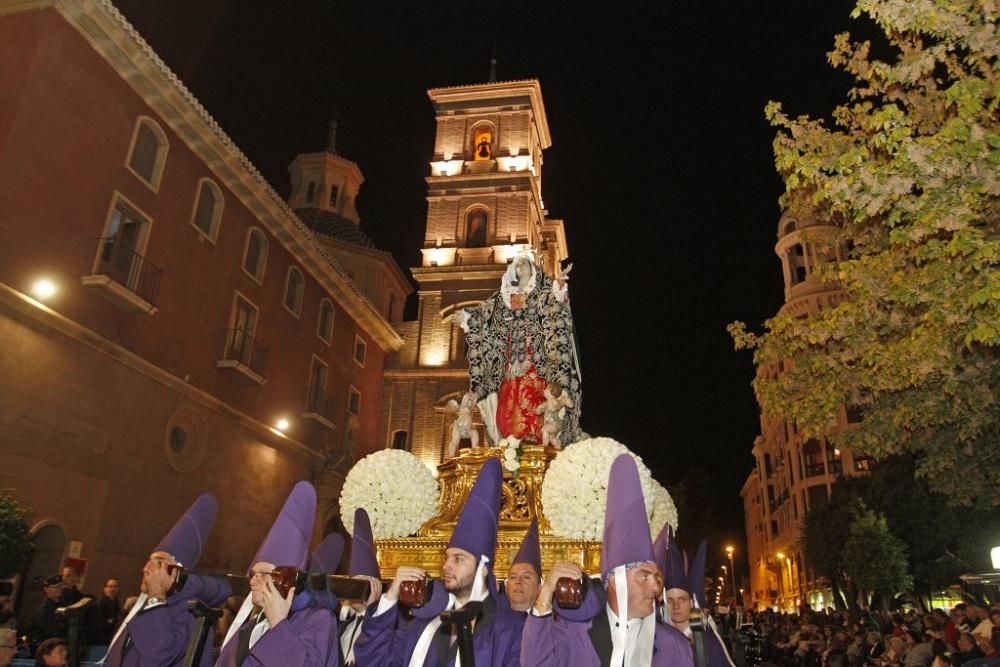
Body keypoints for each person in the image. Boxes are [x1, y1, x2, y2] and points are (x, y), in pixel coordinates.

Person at [521, 455, 695, 667]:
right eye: (644, 576)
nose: (656, 586)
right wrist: (546, 591)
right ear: (614, 580)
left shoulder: (675, 646)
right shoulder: (575, 633)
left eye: (657, 577)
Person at [353, 458, 525, 667]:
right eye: (447, 558)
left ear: (483, 570)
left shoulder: (510, 628)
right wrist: (390, 597)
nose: (447, 566)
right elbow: (372, 661)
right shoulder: (422, 624)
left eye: (458, 559)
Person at [453, 251, 582, 446]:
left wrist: (560, 285)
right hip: (512, 353)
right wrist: (467, 318)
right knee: (511, 393)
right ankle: (512, 439)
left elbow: (555, 303)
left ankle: (536, 435)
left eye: (525, 265)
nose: (521, 268)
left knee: (532, 390)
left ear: (532, 269)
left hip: (534, 352)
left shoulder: (540, 291)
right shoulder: (506, 294)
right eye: (518, 265)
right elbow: (487, 313)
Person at [215, 481, 337, 667]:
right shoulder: (249, 627)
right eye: (252, 573)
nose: (254, 579)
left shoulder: (318, 620)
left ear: (286, 580)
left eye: (263, 573)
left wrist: (278, 622)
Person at [105, 493, 230, 667]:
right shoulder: (145, 605)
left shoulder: (190, 611)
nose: (146, 568)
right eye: (149, 561)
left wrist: (156, 595)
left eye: (158, 562)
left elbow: (159, 657)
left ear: (176, 572)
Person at [661, 537, 735, 667]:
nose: (676, 606)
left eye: (681, 599)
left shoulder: (709, 643)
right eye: (670, 600)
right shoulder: (659, 641)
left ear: (691, 603)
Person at [338, 508, 382, 666]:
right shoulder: (343, 627)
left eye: (359, 585)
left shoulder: (384, 628)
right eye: (352, 584)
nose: (353, 591)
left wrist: (372, 611)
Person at [504, 518, 542, 613]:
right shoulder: (490, 622)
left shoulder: (550, 624)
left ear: (540, 588)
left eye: (526, 577)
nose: (518, 581)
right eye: (513, 577)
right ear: (506, 587)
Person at [28, 575, 68, 651]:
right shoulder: (45, 609)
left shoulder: (64, 604)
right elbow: (51, 632)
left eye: (61, 586)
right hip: (47, 648)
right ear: (46, 589)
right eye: (56, 587)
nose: (59, 589)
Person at [536, 384, 574, 449]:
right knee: (551, 438)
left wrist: (559, 402)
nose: (544, 390)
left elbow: (557, 405)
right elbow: (538, 412)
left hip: (555, 423)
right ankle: (558, 447)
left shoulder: (553, 400)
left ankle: (544, 446)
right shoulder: (547, 402)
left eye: (546, 389)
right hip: (552, 424)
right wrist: (539, 408)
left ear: (550, 390)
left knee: (545, 429)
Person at [97, 578, 123, 645]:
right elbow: (102, 624)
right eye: (110, 586)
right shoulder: (100, 604)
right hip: (101, 641)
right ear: (105, 588)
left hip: (111, 640)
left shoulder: (116, 603)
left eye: (115, 586)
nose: (113, 589)